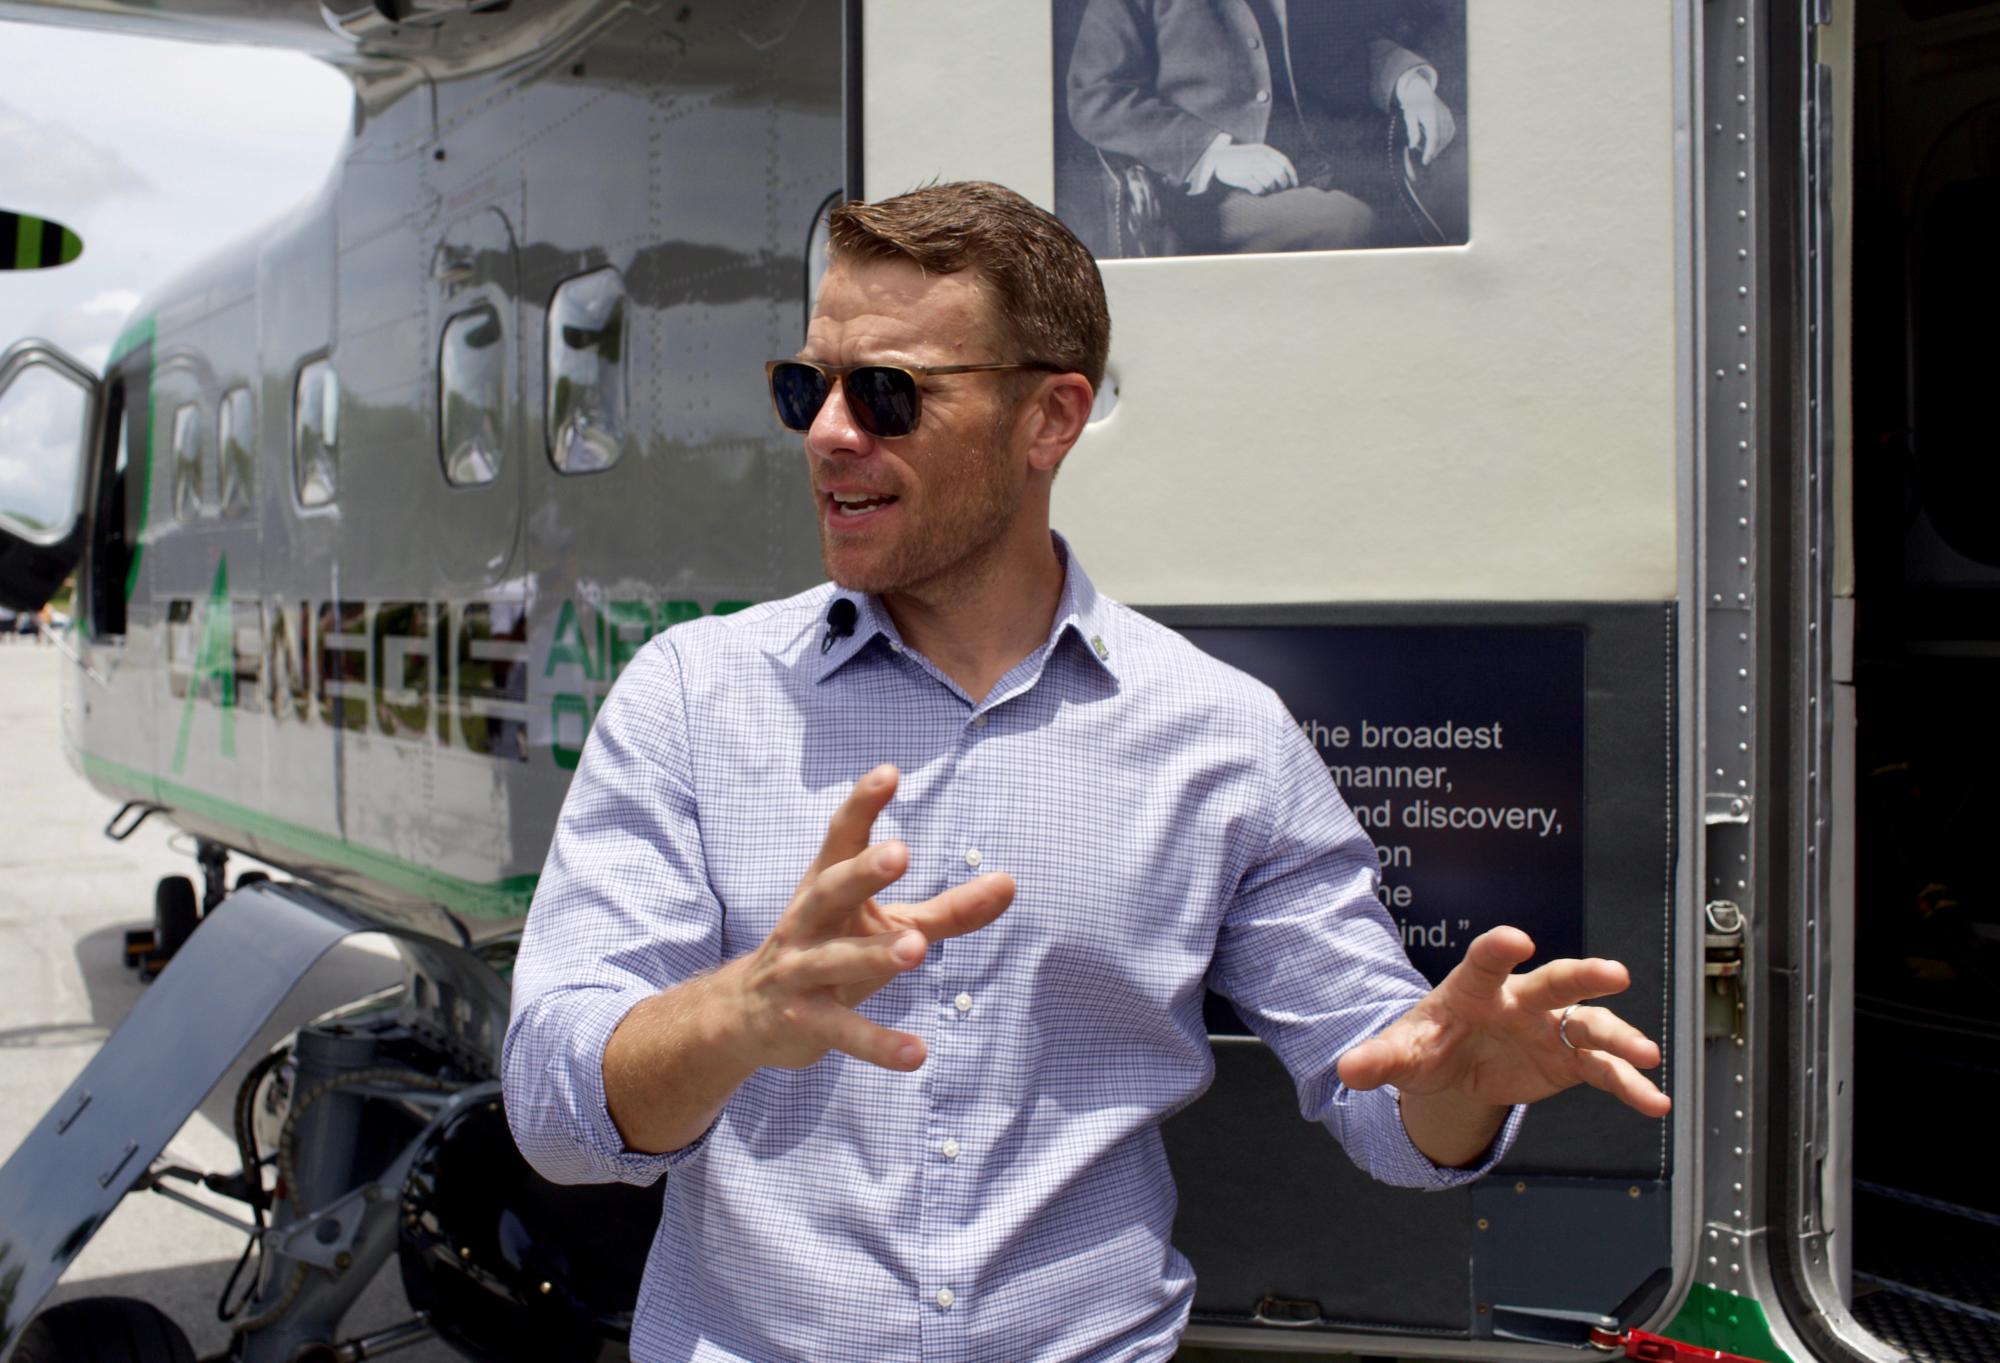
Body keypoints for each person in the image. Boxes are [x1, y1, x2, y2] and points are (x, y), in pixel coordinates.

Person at [503, 180, 1667, 1363]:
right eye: (806, 386)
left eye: (887, 393)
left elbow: (1382, 1087)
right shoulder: (693, 697)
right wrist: (735, 1017)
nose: (828, 433)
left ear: (1049, 419)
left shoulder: (1223, 737)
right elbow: (554, 1114)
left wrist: (1461, 1082)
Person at [1065, 0, 1462, 253]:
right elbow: (1096, 96)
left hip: (1334, 165)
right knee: (1348, 224)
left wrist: (1411, 84)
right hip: (1206, 201)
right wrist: (1214, 153)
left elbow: (1350, 48)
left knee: (1455, 202)